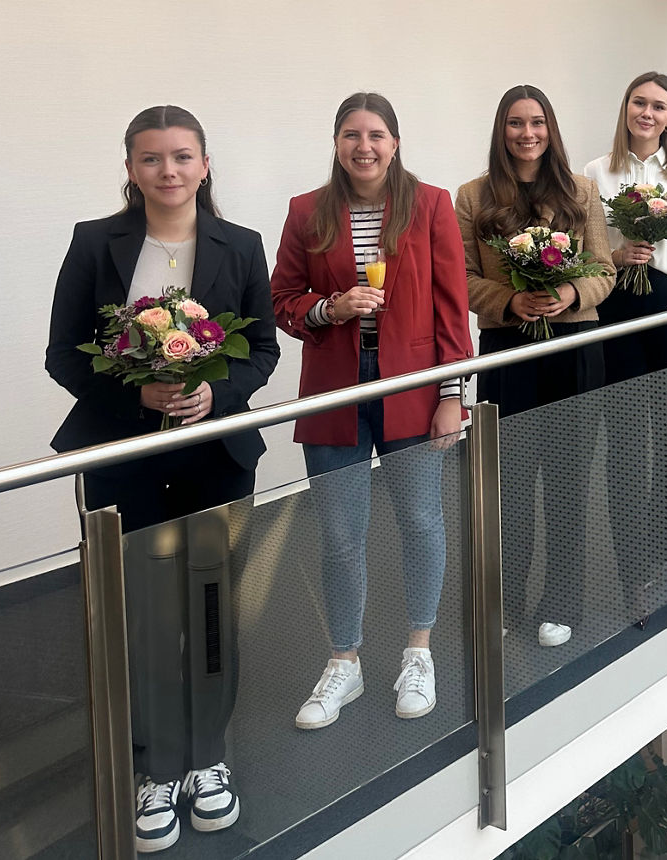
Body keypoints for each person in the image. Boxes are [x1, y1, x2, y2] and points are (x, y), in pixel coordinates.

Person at [46, 105, 280, 853]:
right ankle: (158, 767)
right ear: (130, 169)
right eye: (151, 159)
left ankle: (209, 759)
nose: (168, 171)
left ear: (205, 165)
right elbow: (63, 355)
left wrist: (220, 391)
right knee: (143, 618)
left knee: (212, 612)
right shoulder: (95, 242)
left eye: (182, 157)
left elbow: (264, 349)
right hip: (126, 458)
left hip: (214, 457)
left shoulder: (240, 246)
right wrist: (135, 392)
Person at [270, 93, 473, 731]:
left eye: (377, 134)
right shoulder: (307, 211)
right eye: (353, 134)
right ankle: (345, 660)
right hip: (335, 388)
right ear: (336, 142)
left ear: (395, 141)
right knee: (339, 535)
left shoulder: (432, 203)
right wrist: (330, 308)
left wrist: (452, 395)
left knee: (420, 522)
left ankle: (418, 650)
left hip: (414, 386)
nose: (365, 146)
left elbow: (451, 305)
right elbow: (283, 301)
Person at [456, 85, 615, 647]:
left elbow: (604, 270)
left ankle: (562, 601)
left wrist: (571, 293)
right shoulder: (473, 197)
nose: (527, 134)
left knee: (570, 485)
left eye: (538, 123)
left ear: (551, 130)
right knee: (510, 487)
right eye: (516, 124)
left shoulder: (582, 191)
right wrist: (509, 301)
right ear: (502, 132)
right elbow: (463, 281)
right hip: (508, 354)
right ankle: (504, 601)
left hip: (574, 349)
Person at [584, 72, 667, 619]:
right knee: (624, 454)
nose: (647, 113)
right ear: (626, 108)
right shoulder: (596, 173)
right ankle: (632, 574)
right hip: (616, 319)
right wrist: (616, 258)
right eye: (639, 102)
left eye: (658, 106)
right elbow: (583, 251)